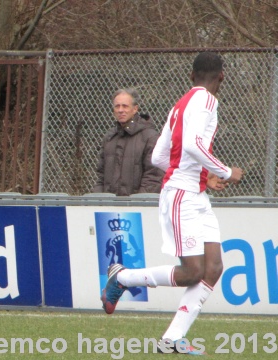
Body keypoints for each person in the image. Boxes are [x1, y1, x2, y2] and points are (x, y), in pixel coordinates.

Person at [100, 52, 244, 355]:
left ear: (191, 76)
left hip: (195, 194)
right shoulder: (206, 100)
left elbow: (159, 158)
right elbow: (193, 145)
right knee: (193, 272)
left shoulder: (180, 104)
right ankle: (122, 277)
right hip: (182, 197)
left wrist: (201, 180)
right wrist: (226, 171)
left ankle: (172, 339)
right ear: (222, 76)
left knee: (214, 267)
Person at [93, 88, 164, 195]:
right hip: (108, 206)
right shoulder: (110, 137)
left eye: (125, 106)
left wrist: (137, 203)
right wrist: (98, 198)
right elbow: (101, 175)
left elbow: (153, 176)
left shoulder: (150, 137)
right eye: (117, 106)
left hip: (136, 208)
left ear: (135, 109)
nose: (120, 110)